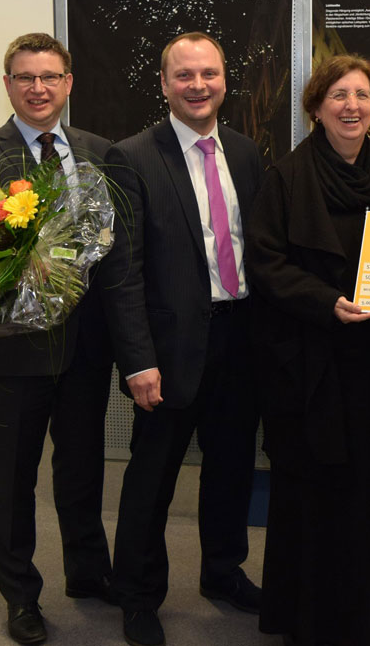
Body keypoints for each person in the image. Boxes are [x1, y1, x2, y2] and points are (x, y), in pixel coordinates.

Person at [245, 53, 370, 646]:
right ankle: (317, 617)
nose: (351, 106)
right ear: (316, 107)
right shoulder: (286, 176)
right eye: (338, 95)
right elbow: (267, 264)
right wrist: (325, 302)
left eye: (361, 95)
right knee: (320, 488)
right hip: (317, 364)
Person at [99, 32, 263, 646]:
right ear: (164, 84)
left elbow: (257, 251)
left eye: (210, 74)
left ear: (225, 80)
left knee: (230, 469)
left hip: (239, 339)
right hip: (167, 354)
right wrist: (137, 361)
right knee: (152, 479)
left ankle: (223, 573)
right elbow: (123, 271)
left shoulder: (246, 153)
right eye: (185, 75)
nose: (199, 85)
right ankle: (138, 595)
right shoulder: (131, 156)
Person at [0, 33, 116, 644]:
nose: (39, 88)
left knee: (82, 470)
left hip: (85, 349)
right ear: (8, 85)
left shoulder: (100, 153)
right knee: (13, 479)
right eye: (26, 77)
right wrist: (19, 273)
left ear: (68, 83)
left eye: (50, 77)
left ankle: (89, 573)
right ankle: (20, 596)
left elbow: (113, 254)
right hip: (12, 348)